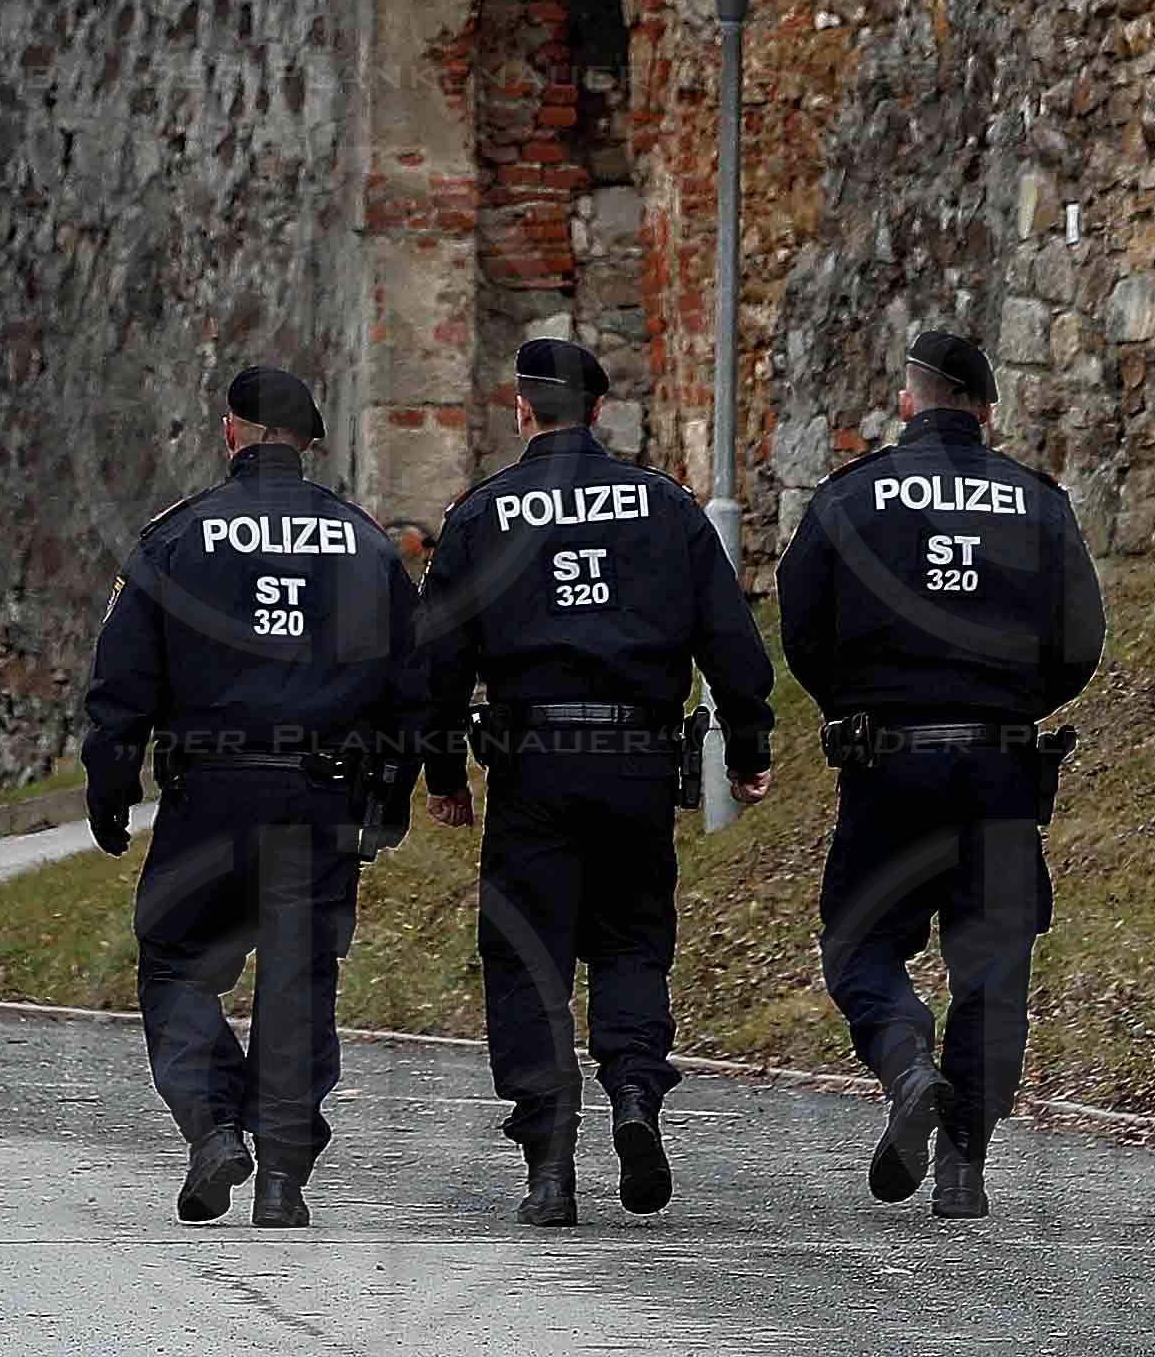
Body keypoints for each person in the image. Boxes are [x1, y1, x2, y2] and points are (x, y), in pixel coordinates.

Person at [417, 335, 777, 1227]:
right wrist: (748, 746)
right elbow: (730, 641)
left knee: (525, 951)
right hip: (638, 764)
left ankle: (549, 1161)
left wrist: (441, 770)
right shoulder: (665, 507)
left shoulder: (482, 513)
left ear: (523, 411)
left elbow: (435, 663)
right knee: (630, 939)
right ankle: (635, 1099)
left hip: (534, 765)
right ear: (600, 412)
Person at [79, 365, 419, 1230]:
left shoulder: (175, 538)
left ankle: (212, 1127)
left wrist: (110, 784)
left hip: (210, 795)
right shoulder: (367, 542)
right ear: (310, 442)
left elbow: (124, 678)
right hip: (319, 797)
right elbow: (409, 685)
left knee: (176, 963)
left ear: (230, 431)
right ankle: (282, 1179)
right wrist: (393, 792)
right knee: (299, 978)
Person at [776, 325, 1105, 1219]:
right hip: (1000, 767)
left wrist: (858, 700)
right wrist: (1010, 703)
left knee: (859, 943)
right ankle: (965, 1167)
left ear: (907, 399)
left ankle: (906, 1059)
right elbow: (1082, 643)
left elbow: (800, 626)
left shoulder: (851, 497)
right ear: (988, 410)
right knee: (992, 969)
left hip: (889, 765)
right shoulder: (1037, 502)